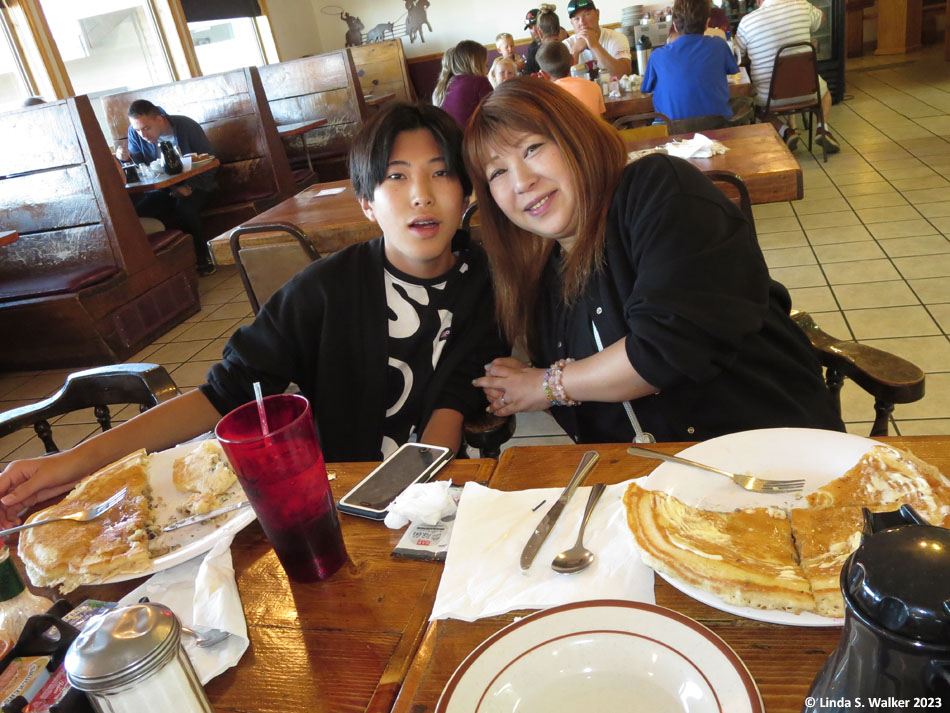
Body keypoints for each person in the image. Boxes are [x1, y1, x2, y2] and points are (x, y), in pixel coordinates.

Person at [0, 102, 505, 527]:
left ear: (467, 192)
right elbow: (223, 394)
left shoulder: (485, 278)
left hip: (433, 498)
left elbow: (457, 391)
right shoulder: (325, 289)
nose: (422, 194)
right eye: (396, 176)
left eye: (441, 173)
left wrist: (418, 485)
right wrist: (70, 462)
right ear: (366, 202)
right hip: (336, 505)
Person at [464, 79, 844, 445]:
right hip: (646, 481)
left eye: (532, 148)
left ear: (575, 136)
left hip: (769, 456)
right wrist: (519, 380)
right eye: (497, 172)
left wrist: (547, 384)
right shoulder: (542, 272)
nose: (521, 181)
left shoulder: (658, 190)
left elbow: (665, 350)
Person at [115, 99, 217, 274]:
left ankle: (204, 258)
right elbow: (140, 167)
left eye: (146, 128)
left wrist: (190, 186)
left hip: (199, 184)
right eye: (137, 130)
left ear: (160, 120)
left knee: (185, 209)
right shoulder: (135, 132)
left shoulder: (186, 126)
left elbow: (210, 160)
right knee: (135, 214)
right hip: (162, 189)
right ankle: (158, 268)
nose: (142, 134)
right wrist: (124, 159)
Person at [735, 0, 840, 153]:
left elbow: (739, 57)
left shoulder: (747, 22)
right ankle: (822, 128)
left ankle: (785, 131)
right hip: (809, 92)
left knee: (754, 104)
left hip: (769, 97)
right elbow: (822, 18)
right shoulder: (802, 5)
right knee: (825, 95)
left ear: (758, 1)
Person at [641, 0, 740, 122]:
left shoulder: (657, 56)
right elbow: (733, 73)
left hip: (672, 133)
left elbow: (646, 90)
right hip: (717, 127)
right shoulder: (720, 45)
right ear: (707, 24)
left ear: (675, 26)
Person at [563, 0, 632, 78]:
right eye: (576, 19)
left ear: (597, 14)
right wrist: (574, 52)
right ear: (572, 23)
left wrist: (595, 45)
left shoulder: (617, 38)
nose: (582, 22)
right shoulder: (565, 46)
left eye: (586, 14)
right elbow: (562, 83)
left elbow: (624, 74)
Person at [432, 40, 493, 128]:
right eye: (486, 65)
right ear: (476, 65)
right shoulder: (480, 82)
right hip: (469, 137)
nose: (487, 71)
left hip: (450, 136)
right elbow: (495, 113)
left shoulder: (451, 81)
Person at [536, 41, 605, 117]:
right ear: (572, 60)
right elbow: (600, 119)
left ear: (544, 74)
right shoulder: (594, 87)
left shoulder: (545, 98)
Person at [522, 8, 543, 74]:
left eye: (536, 24)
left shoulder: (556, 40)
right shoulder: (532, 47)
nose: (534, 30)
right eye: (530, 27)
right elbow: (528, 71)